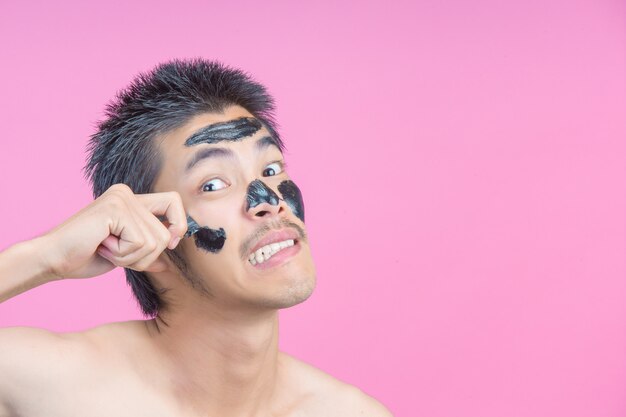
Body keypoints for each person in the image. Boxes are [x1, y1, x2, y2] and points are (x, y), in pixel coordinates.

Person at [0, 59, 392, 416]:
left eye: (272, 169)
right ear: (149, 233)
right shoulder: (49, 388)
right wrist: (43, 256)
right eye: (214, 183)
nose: (269, 201)